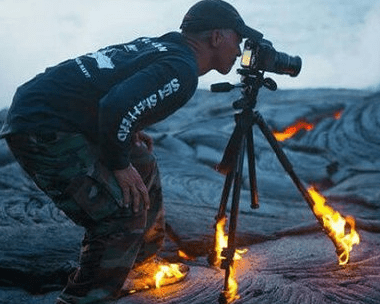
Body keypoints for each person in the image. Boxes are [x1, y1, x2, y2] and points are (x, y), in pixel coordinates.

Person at [0, 0, 263, 303]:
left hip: (49, 108)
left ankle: (141, 267)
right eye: (237, 38)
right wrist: (118, 163)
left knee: (143, 163)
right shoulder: (182, 70)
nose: (240, 46)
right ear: (217, 37)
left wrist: (130, 129)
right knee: (120, 217)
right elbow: (114, 105)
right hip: (42, 126)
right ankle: (83, 297)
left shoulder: (166, 46)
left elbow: (113, 85)